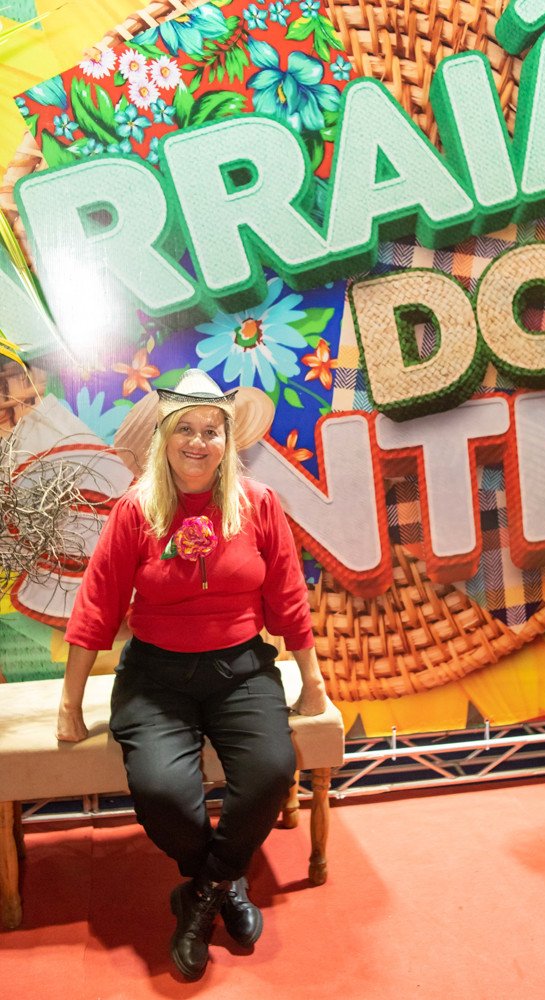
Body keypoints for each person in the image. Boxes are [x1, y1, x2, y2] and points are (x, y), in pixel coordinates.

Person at [56, 368, 327, 980]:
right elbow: (97, 605)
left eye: (212, 430)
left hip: (242, 670)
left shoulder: (259, 504)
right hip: (156, 676)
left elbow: (287, 597)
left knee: (271, 772)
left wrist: (312, 681)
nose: (198, 442)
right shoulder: (135, 510)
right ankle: (224, 881)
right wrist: (70, 705)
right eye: (185, 429)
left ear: (228, 439)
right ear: (164, 435)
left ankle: (205, 891)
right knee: (160, 792)